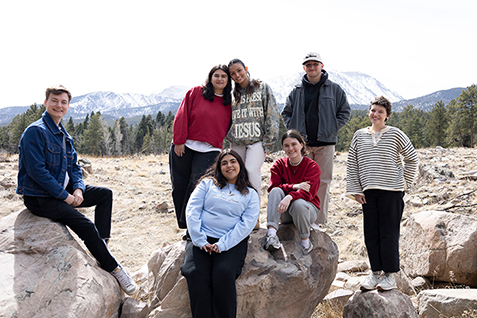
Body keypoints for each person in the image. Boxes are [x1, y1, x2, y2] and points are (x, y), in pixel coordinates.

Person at [16, 85, 138, 295]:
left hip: (63, 189)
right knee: (86, 225)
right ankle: (115, 269)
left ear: (68, 106)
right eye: (54, 100)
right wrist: (65, 196)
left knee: (104, 194)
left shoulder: (64, 134)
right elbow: (37, 172)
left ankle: (102, 249)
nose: (59, 105)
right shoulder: (35, 131)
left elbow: (74, 167)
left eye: (63, 102)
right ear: (45, 103)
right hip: (40, 197)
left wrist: (79, 190)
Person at [345, 96, 418, 291]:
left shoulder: (395, 134)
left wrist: (405, 182)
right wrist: (356, 191)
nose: (375, 114)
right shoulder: (359, 135)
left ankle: (390, 275)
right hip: (368, 193)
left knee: (389, 234)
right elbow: (352, 164)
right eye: (373, 110)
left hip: (392, 192)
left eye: (380, 111)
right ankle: (375, 273)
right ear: (369, 112)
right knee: (371, 234)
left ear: (387, 116)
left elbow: (411, 158)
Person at [180, 149, 259, 318]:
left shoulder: (250, 194)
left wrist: (222, 244)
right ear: (219, 167)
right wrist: (200, 240)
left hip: (231, 242)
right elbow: (192, 210)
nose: (229, 166)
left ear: (240, 165)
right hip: (201, 239)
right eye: (224, 163)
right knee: (195, 273)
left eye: (233, 161)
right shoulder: (207, 184)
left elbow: (246, 225)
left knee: (222, 274)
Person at [281, 52, 351, 230]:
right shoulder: (296, 91)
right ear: (304, 68)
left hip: (325, 144)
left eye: (315, 64)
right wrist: (295, 133)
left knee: (323, 182)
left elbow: (345, 112)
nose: (312, 67)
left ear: (322, 66)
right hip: (302, 146)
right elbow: (286, 113)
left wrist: (332, 128)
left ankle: (317, 221)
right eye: (308, 65)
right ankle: (300, 217)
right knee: (301, 180)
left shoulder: (334, 89)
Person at [169, 65, 232, 230]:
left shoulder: (230, 103)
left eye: (223, 76)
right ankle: (182, 224)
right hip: (185, 145)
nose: (219, 79)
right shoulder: (196, 92)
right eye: (216, 75)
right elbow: (182, 115)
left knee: (197, 188)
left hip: (210, 150)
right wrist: (179, 140)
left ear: (228, 80)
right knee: (179, 185)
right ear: (210, 78)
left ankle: (192, 225)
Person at [227, 58, 279, 215]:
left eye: (239, 70)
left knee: (250, 170)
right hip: (236, 142)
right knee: (236, 174)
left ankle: (253, 213)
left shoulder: (262, 88)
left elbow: (272, 114)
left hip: (257, 141)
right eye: (233, 73)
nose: (237, 75)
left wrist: (269, 141)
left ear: (246, 69)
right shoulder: (231, 94)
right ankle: (238, 210)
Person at [265, 130, 321, 255]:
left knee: (299, 204)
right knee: (275, 191)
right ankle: (272, 235)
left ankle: (305, 242)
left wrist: (290, 196)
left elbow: (308, 194)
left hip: (307, 210)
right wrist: (294, 186)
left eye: (294, 144)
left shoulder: (312, 166)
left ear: (301, 145)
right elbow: (273, 187)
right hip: (283, 210)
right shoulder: (278, 165)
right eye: (286, 145)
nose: (290, 148)